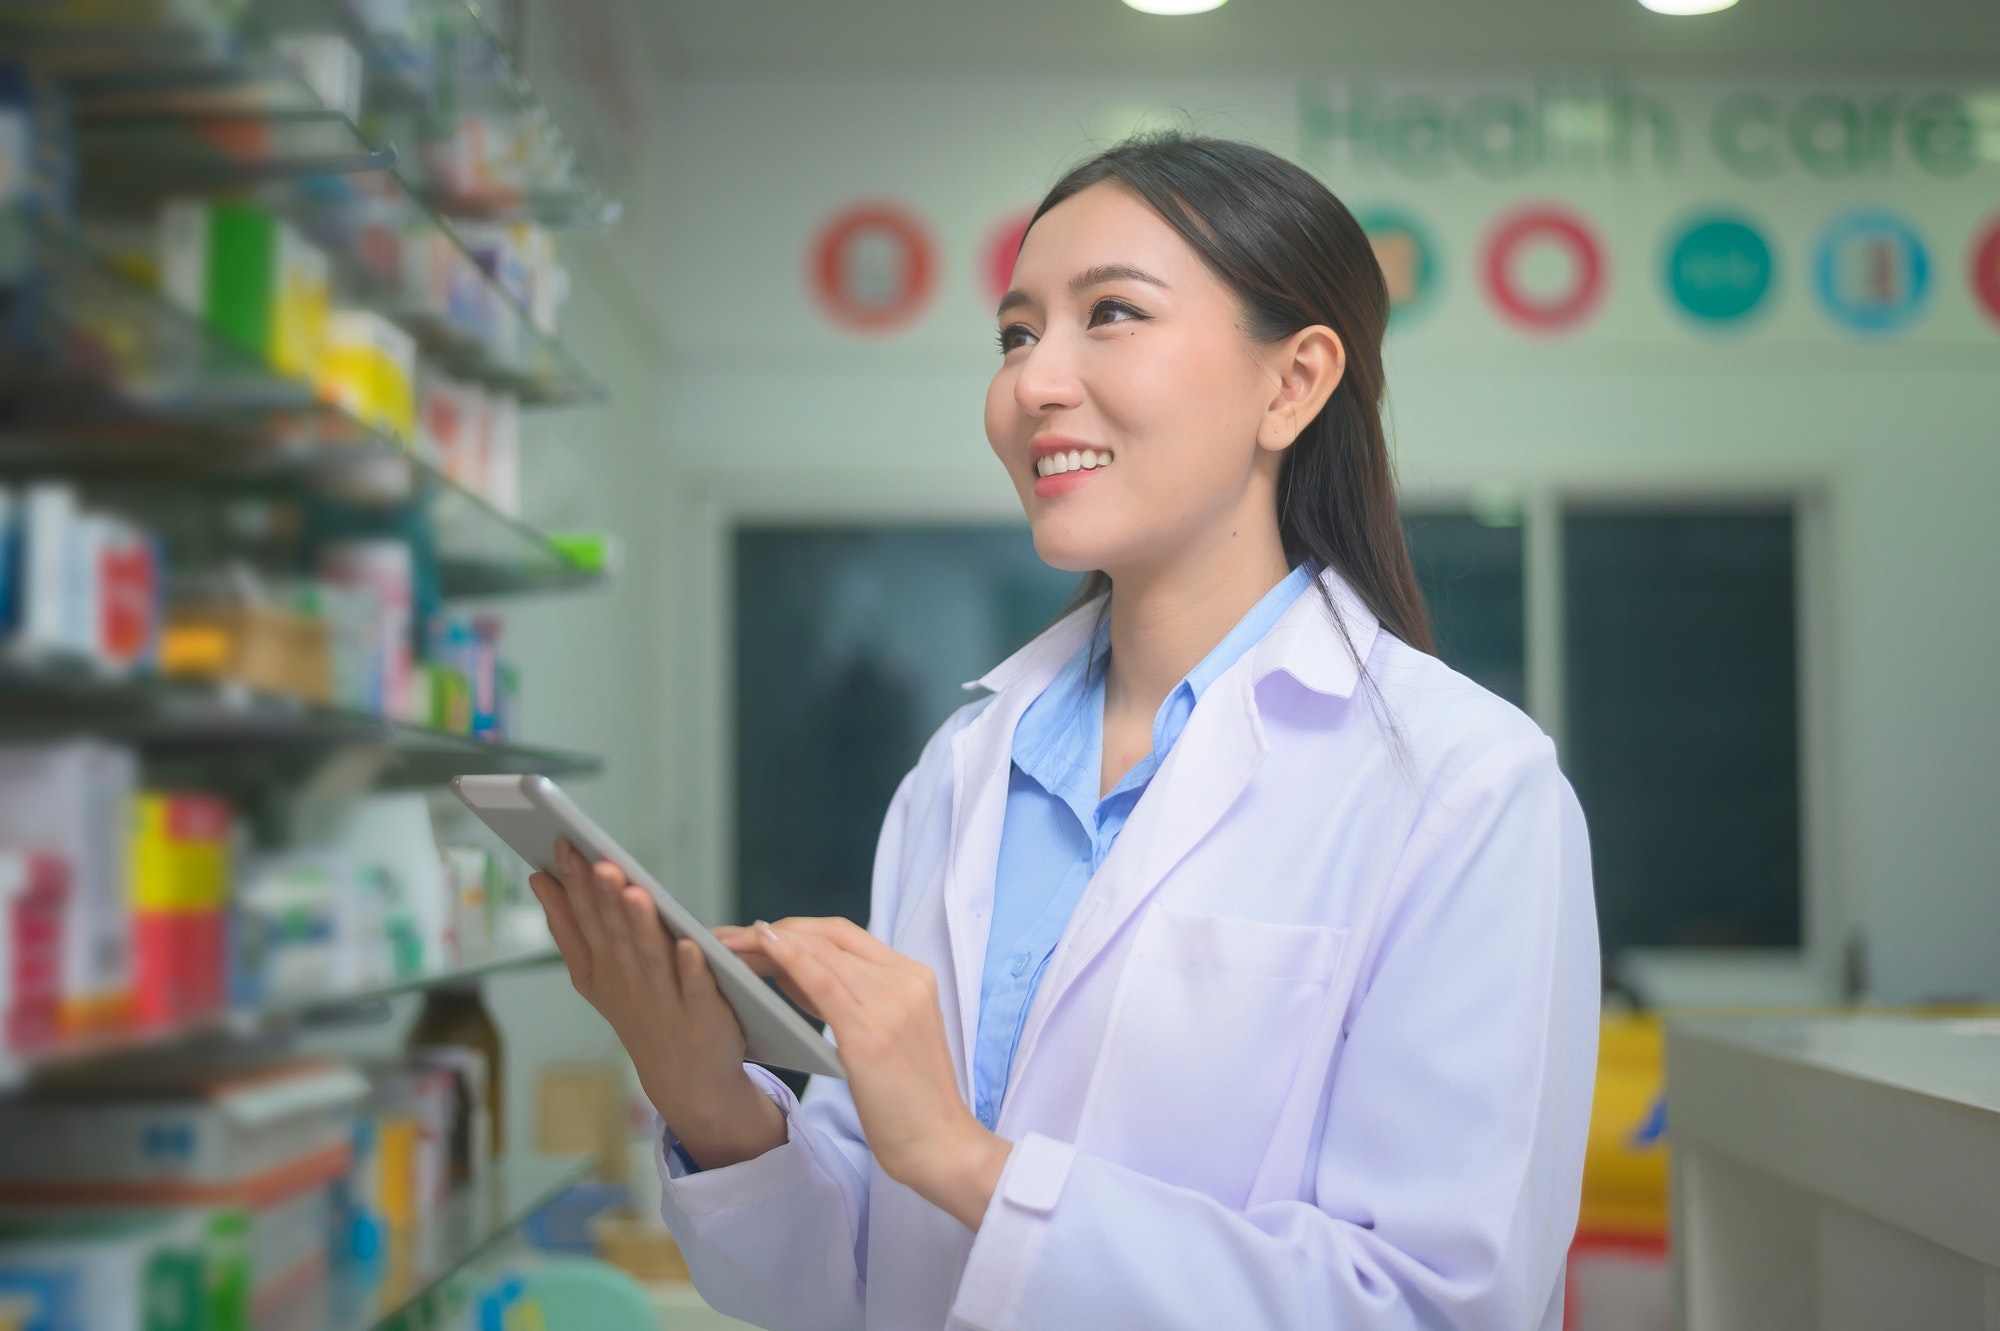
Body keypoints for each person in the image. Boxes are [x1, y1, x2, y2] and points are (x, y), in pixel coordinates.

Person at [529, 131, 1599, 1330]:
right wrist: (706, 1095)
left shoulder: (1461, 786)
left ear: (1290, 383)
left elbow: (1429, 1307)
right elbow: (851, 1285)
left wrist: (964, 1158)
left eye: (1112, 314)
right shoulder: (962, 771)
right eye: (1016, 332)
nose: (1033, 381)